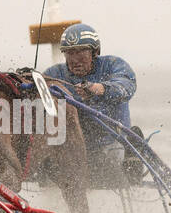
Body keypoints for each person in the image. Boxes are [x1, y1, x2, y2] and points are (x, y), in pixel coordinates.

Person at [44, 23, 137, 177]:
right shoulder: (54, 74)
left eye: (81, 52)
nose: (74, 60)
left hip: (111, 145)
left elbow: (126, 86)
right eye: (69, 53)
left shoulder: (114, 65)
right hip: (71, 148)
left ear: (96, 52)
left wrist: (98, 89)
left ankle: (132, 161)